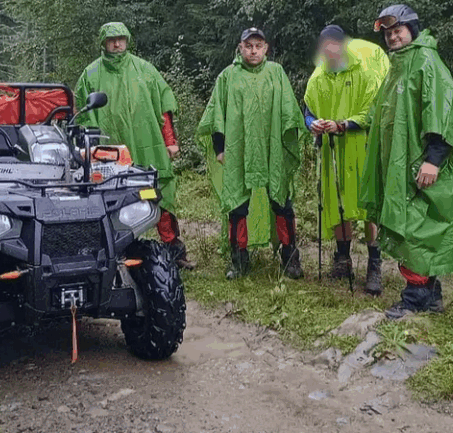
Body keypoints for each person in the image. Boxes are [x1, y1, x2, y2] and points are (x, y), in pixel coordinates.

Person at [360, 5, 453, 319]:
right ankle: (431, 297)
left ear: (413, 29)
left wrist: (433, 160)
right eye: (388, 33)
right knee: (418, 228)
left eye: (398, 30)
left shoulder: (425, 61)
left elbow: (447, 113)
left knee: (417, 231)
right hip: (402, 167)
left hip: (421, 165)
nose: (393, 37)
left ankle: (414, 298)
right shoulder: (399, 65)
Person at [75, 22, 194, 270]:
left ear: (127, 40)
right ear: (103, 42)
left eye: (121, 39)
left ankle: (174, 249)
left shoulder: (145, 70)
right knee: (107, 197)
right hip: (110, 149)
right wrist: (87, 147)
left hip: (147, 143)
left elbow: (164, 104)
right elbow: (82, 114)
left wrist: (170, 140)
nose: (117, 44)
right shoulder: (91, 74)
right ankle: (108, 251)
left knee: (160, 191)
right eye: (111, 40)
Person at [197, 27, 305, 280]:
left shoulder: (276, 73)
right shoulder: (228, 77)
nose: (253, 50)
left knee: (281, 202)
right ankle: (239, 261)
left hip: (273, 149)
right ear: (240, 48)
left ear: (266, 48)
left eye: (258, 45)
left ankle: (290, 258)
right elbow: (217, 114)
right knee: (237, 205)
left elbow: (289, 112)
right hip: (238, 149)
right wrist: (220, 148)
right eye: (248, 46)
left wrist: (289, 143)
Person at [303, 25, 389, 295]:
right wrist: (313, 124)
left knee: (368, 204)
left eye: (336, 44)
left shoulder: (363, 72)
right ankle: (343, 259)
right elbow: (307, 110)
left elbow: (372, 111)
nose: (331, 50)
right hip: (332, 151)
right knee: (337, 200)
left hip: (361, 146)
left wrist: (345, 125)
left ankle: (374, 264)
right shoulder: (318, 78)